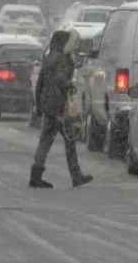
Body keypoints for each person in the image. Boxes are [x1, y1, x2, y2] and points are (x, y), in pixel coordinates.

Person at [29, 29, 94, 189]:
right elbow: (60, 79)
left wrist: (38, 104)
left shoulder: (49, 57)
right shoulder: (62, 59)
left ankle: (36, 175)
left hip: (48, 104)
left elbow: (40, 83)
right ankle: (76, 175)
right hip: (59, 105)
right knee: (69, 139)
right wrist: (69, 84)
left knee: (45, 140)